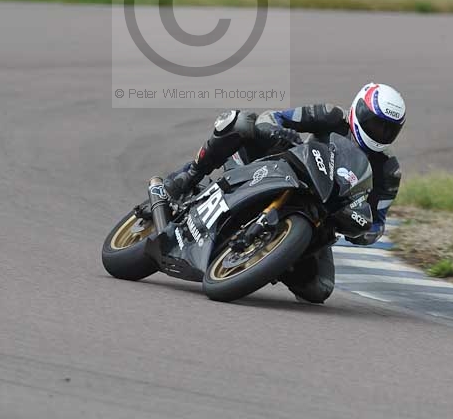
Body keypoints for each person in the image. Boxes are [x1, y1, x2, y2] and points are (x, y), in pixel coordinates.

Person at [164, 82, 406, 304]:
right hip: (287, 169)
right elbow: (274, 117)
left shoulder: (388, 171)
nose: (381, 132)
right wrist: (276, 130)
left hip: (322, 215)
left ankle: (274, 257)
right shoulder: (331, 116)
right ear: (359, 110)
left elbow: (377, 223)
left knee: (319, 289)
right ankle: (187, 176)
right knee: (242, 122)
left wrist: (360, 227)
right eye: (375, 123)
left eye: (389, 129)